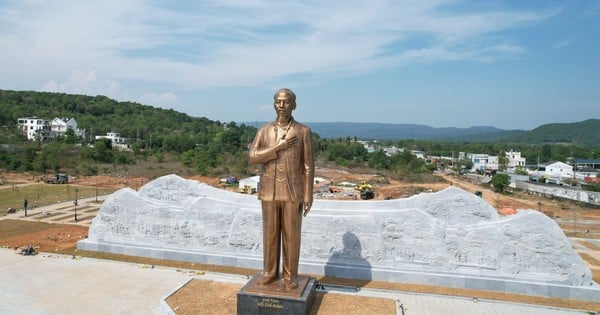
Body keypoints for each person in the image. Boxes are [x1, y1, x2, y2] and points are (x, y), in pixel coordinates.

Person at [248, 88, 314, 290]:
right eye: (278, 101)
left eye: (286, 102)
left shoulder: (303, 131)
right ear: (273, 104)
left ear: (294, 105)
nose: (282, 106)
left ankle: (290, 275)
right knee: (270, 234)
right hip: (269, 190)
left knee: (291, 236)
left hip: (293, 192)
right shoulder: (264, 130)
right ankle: (269, 272)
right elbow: (253, 157)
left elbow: (308, 166)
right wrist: (278, 147)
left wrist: (308, 195)